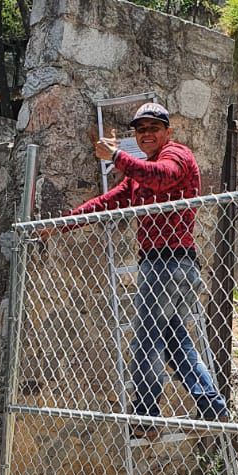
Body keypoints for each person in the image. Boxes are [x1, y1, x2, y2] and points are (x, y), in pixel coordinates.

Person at [68, 100, 228, 434]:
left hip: (168, 263)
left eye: (154, 128)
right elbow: (109, 201)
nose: (146, 134)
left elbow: (162, 177)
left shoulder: (177, 156)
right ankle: (212, 406)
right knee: (174, 340)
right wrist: (63, 223)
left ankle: (145, 415)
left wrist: (115, 156)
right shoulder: (141, 171)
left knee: (146, 339)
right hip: (168, 265)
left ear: (168, 132)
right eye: (140, 130)